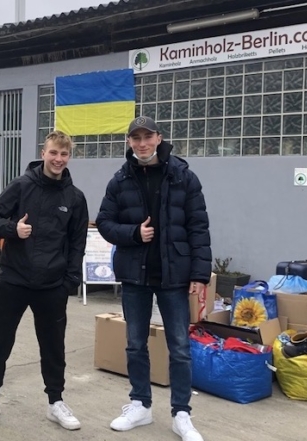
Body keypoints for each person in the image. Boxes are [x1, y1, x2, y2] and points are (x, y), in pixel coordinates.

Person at [0, 130, 89, 432]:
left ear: (69, 157)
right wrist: (12, 229)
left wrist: (69, 282)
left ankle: (55, 402)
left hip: (52, 285)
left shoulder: (75, 198)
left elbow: (77, 243)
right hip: (14, 281)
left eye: (64, 154)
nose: (58, 159)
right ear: (43, 153)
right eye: (53, 153)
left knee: (53, 347)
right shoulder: (22, 185)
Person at [95, 116, 211, 441]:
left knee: (180, 347)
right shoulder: (120, 180)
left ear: (159, 138)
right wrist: (134, 233)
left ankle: (182, 414)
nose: (142, 143)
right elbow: (104, 222)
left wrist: (200, 273)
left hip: (174, 277)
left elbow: (198, 227)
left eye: (148, 137)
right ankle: (140, 405)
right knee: (135, 344)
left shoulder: (183, 176)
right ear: (129, 142)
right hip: (135, 276)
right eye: (136, 138)